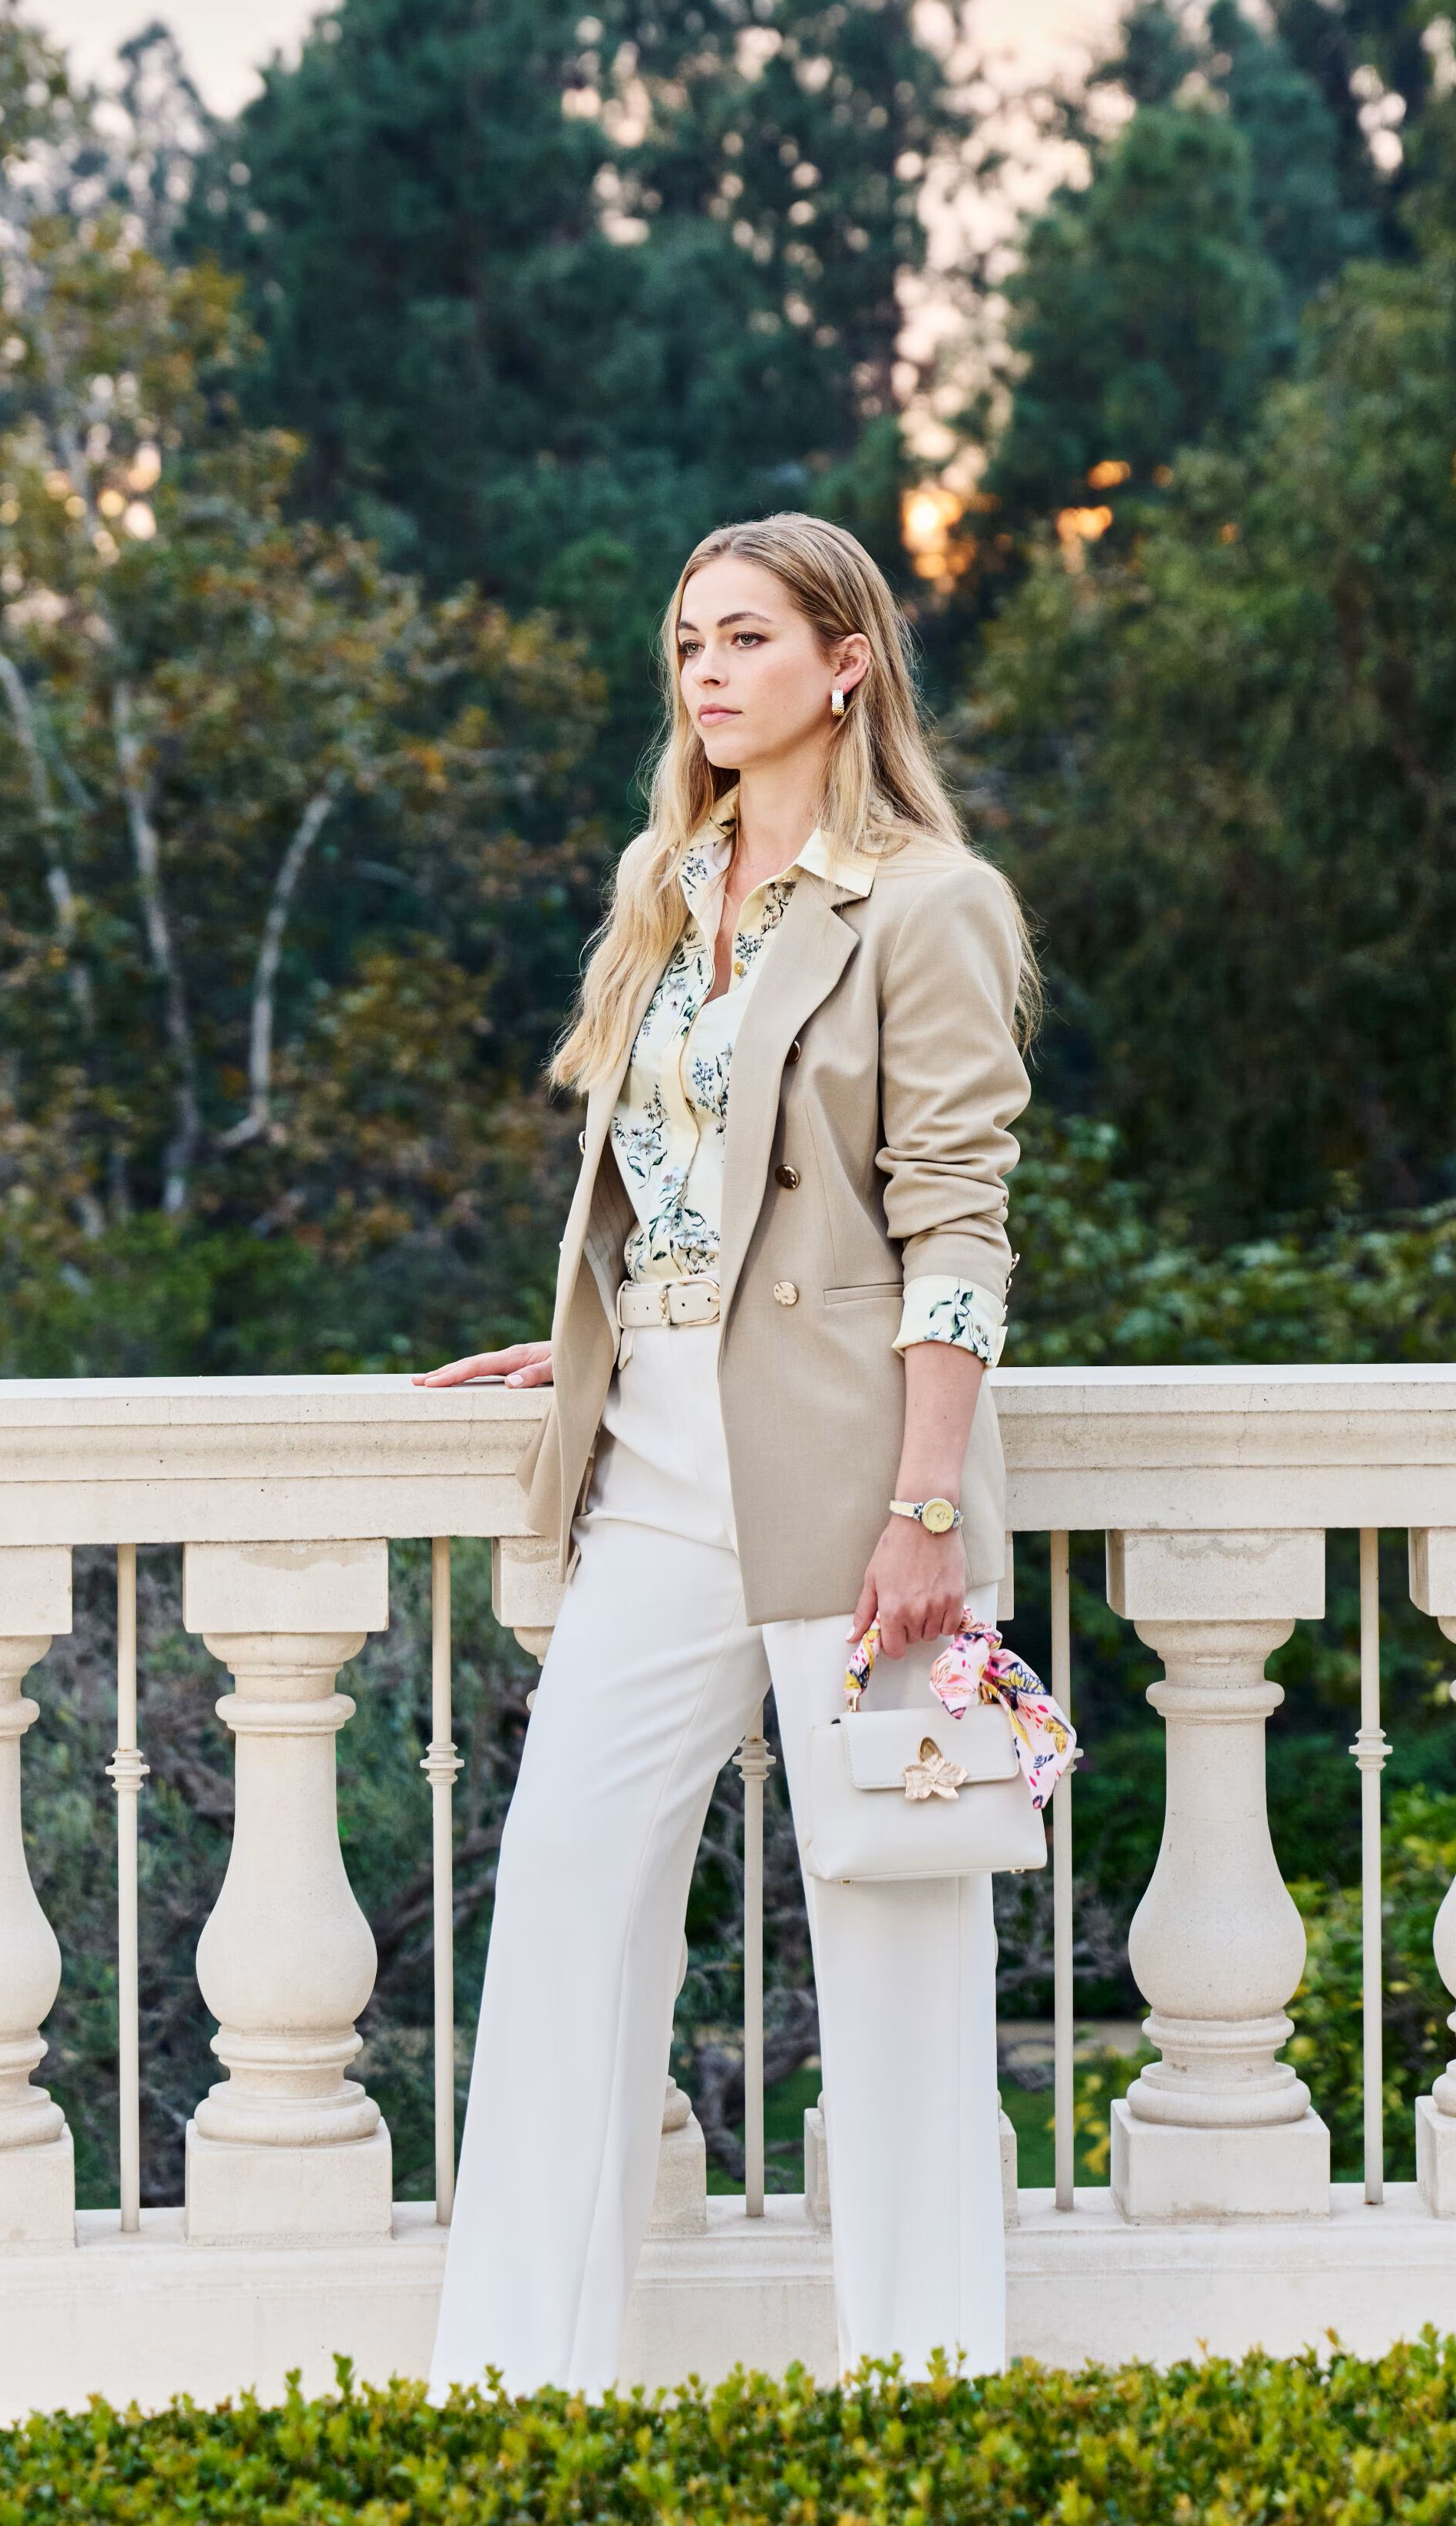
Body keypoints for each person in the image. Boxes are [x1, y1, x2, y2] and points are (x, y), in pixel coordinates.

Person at [418, 511, 1035, 2394]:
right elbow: (682, 1177)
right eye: (688, 637)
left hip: (855, 1477)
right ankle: (517, 2381)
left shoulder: (927, 901)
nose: (704, 667)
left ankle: (927, 2383)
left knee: (895, 1933)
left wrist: (922, 1504)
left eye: (747, 635)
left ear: (844, 662)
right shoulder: (664, 881)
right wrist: (610, 1323)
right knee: (564, 1893)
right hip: (656, 1460)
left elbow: (955, 1219)